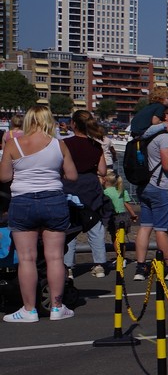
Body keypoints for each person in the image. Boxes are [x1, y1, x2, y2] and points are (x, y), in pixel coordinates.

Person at [0, 103, 80, 321]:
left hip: (23, 201)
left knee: (26, 258)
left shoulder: (13, 144)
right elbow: (72, 176)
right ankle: (57, 307)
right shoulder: (59, 144)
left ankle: (29, 310)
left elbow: (4, 177)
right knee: (54, 257)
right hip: (53, 200)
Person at [132, 104, 168, 280]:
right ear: (164, 116)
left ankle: (140, 267)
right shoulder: (165, 137)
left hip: (145, 186)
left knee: (145, 227)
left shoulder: (146, 136)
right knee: (161, 230)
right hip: (162, 187)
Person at [62, 110, 113, 278]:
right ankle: (99, 264)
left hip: (70, 186)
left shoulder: (64, 144)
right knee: (95, 226)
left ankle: (68, 266)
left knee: (69, 228)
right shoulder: (96, 145)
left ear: (73, 124)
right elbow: (103, 171)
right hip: (91, 188)